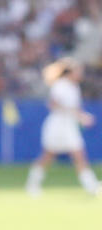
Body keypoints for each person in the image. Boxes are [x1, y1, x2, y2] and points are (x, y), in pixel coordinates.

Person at [26, 58, 99, 196]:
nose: (80, 74)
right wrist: (77, 115)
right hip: (57, 125)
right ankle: (32, 184)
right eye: (78, 71)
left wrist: (82, 117)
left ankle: (91, 186)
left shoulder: (74, 87)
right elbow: (53, 104)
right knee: (47, 156)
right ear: (69, 72)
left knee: (79, 155)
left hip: (69, 126)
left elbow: (75, 108)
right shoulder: (60, 85)